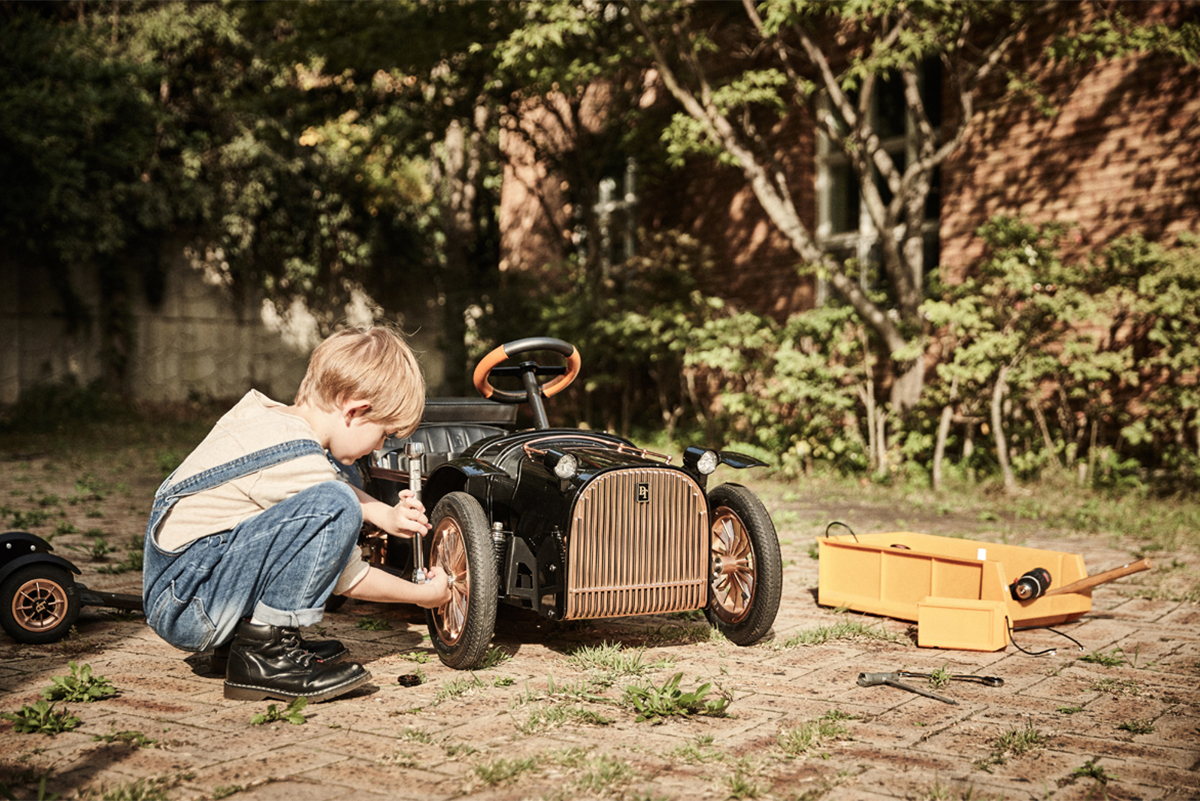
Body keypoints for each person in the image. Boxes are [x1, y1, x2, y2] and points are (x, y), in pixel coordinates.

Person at [142, 325, 451, 703]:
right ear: (355, 411)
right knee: (335, 503)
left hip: (185, 589)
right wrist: (422, 596)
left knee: (337, 490)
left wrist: (384, 515)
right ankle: (265, 654)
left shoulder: (272, 422)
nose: (380, 446)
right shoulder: (296, 457)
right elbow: (348, 577)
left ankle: (251, 639)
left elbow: (310, 479)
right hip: (191, 605)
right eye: (384, 433)